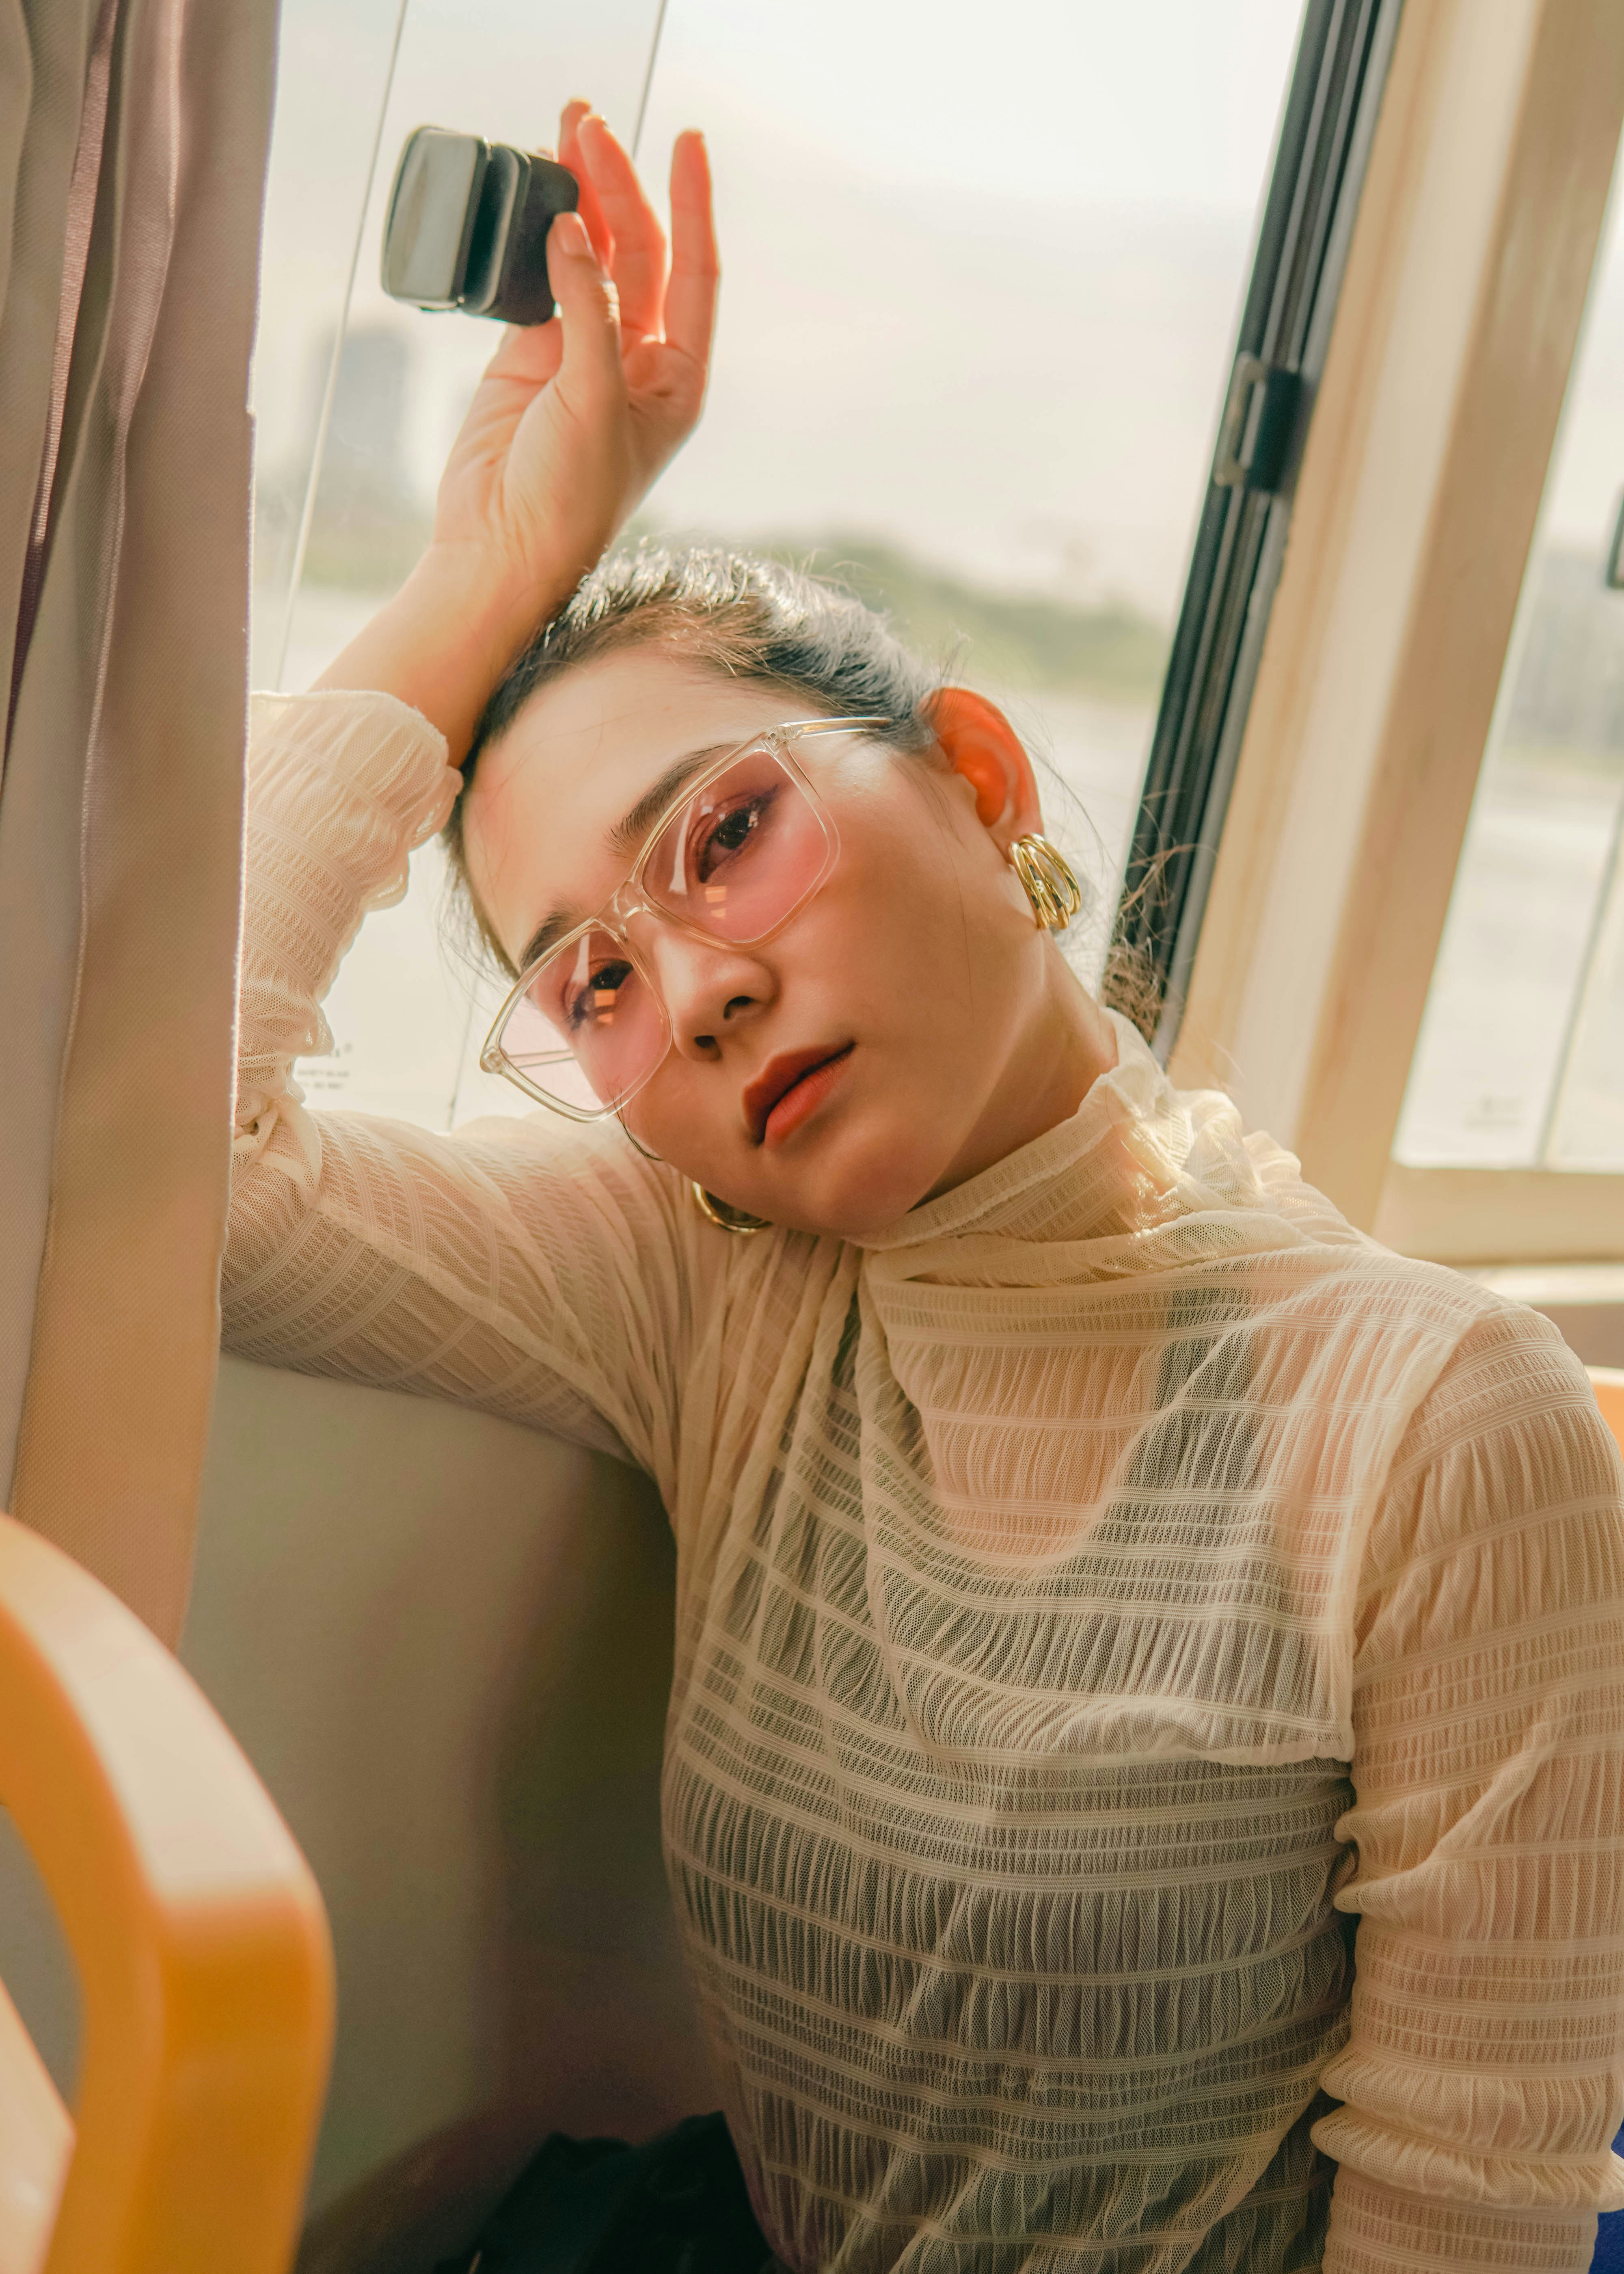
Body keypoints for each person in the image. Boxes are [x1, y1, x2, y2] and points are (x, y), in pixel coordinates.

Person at [229, 102, 1624, 2274]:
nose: (688, 992)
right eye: (586, 981)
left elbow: (1472, 2221)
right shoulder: (713, 1291)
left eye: (724, 834)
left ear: (976, 781)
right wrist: (484, 572)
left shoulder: (1441, 1425)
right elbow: (172, 1156)